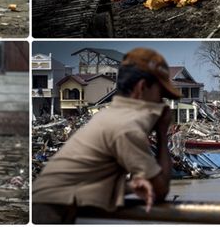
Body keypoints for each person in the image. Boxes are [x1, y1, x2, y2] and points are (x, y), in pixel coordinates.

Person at [32, 48, 178, 224]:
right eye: (160, 95)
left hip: (52, 205)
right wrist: (162, 133)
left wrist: (130, 187)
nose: (162, 103)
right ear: (141, 88)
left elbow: (86, 182)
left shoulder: (109, 115)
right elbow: (160, 190)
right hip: (49, 211)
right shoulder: (126, 126)